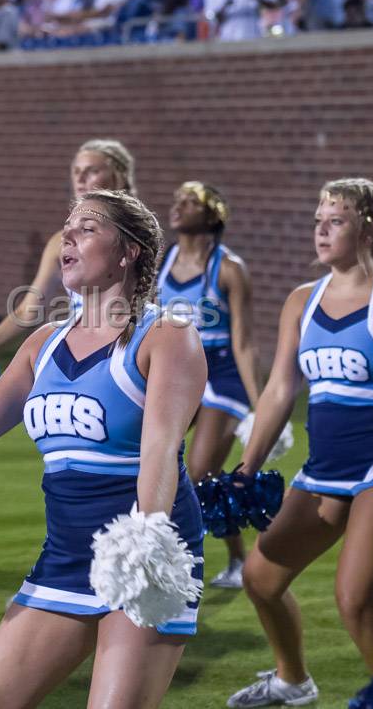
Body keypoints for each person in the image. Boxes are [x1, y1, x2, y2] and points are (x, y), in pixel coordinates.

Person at [0, 189, 208, 708]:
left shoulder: (165, 337)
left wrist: (146, 539)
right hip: (66, 554)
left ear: (128, 252)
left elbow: (160, 451)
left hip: (141, 550)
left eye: (88, 227)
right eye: (68, 226)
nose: (69, 237)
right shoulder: (44, 343)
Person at [228, 178, 373, 708]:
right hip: (324, 467)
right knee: (260, 578)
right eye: (317, 221)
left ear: (369, 230)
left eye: (336, 221)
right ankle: (292, 679)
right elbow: (281, 389)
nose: (321, 231)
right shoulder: (301, 301)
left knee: (355, 603)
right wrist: (246, 466)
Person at [0, 140, 136, 370]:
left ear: (120, 175)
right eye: (76, 171)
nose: (80, 178)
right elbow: (29, 311)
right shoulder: (61, 241)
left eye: (92, 171)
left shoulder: (139, 234)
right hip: (81, 346)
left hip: (129, 346)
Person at [157, 182, 262, 589]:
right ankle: (236, 558)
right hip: (180, 369)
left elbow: (246, 342)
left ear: (213, 214)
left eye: (190, 202)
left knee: (199, 473)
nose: (178, 206)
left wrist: (259, 404)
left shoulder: (229, 268)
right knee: (156, 458)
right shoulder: (164, 261)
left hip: (222, 374)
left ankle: (198, 565)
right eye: (177, 199)